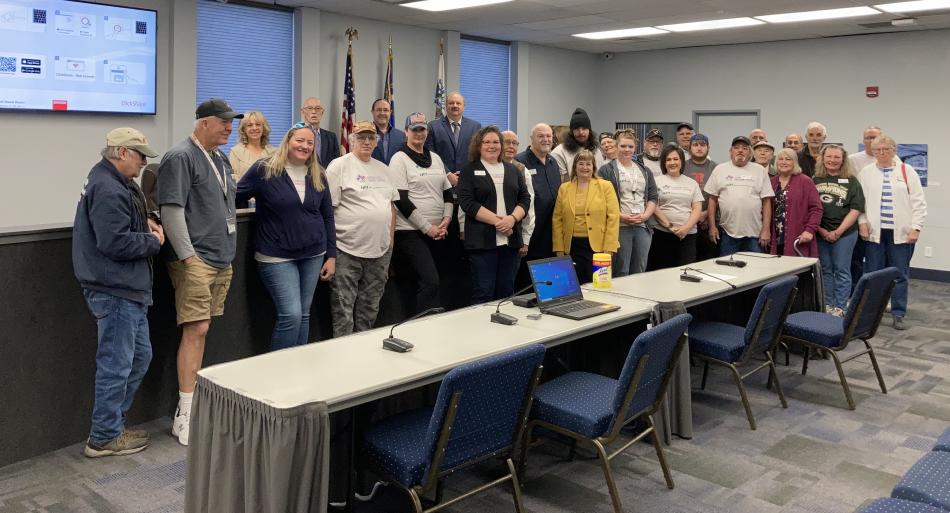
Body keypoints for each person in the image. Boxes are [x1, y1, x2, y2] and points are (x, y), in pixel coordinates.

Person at [73, 128, 163, 457]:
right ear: (122, 153)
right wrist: (152, 241)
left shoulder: (114, 180)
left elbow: (126, 223)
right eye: (140, 155)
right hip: (115, 289)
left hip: (126, 289)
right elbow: (115, 242)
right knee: (116, 364)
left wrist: (147, 222)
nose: (143, 162)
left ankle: (112, 426)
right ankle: (103, 437)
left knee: (139, 357)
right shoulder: (108, 187)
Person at [157, 99, 242, 446]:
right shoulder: (180, 156)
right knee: (196, 329)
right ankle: (186, 413)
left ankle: (191, 404)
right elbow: (171, 210)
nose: (228, 127)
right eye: (222, 122)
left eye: (230, 122)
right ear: (203, 123)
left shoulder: (221, 159)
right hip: (197, 261)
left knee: (203, 332)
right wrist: (188, 258)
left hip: (222, 258)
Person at [236, 124, 336, 351]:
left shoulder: (317, 172)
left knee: (303, 314)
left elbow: (327, 215)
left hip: (313, 253)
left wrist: (331, 255)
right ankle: (277, 372)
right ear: (288, 141)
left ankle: (296, 368)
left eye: (310, 143)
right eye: (300, 140)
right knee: (291, 314)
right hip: (276, 256)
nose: (305, 146)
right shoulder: (265, 169)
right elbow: (234, 194)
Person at [326, 121, 397, 336]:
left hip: (380, 251)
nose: (366, 142)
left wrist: (391, 242)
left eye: (371, 138)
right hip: (346, 249)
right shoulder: (339, 166)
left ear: (376, 141)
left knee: (370, 308)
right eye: (361, 137)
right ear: (352, 140)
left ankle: (363, 353)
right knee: (343, 309)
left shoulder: (384, 169)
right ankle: (343, 356)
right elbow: (328, 211)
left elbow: (391, 208)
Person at [858, 134, 927, 330]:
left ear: (893, 150)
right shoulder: (866, 172)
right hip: (874, 233)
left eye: (885, 149)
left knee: (899, 273)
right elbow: (859, 202)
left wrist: (916, 227)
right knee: (873, 274)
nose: (881, 153)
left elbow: (919, 202)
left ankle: (898, 313)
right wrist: (862, 223)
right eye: (877, 149)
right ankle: (872, 313)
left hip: (901, 233)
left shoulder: (907, 171)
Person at [457, 126, 530, 303]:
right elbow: (468, 203)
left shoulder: (514, 170)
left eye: (496, 142)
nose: (492, 146)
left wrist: (511, 219)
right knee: (484, 292)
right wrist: (500, 223)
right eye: (487, 142)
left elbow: (525, 199)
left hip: (510, 244)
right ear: (478, 145)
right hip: (482, 244)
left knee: (506, 292)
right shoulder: (469, 171)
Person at [390, 113, 453, 314]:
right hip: (410, 232)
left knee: (438, 281)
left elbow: (448, 193)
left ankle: (430, 321)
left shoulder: (435, 157)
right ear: (406, 132)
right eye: (414, 129)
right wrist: (428, 228)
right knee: (430, 280)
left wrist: (446, 221)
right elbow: (400, 200)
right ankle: (419, 322)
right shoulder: (399, 159)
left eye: (422, 129)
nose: (419, 133)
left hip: (439, 231)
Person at [552, 149, 620, 284]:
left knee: (598, 285)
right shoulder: (564, 188)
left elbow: (613, 217)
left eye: (588, 164)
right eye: (581, 164)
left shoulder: (605, 186)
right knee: (573, 285)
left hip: (598, 247)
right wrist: (559, 248)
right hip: (572, 247)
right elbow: (557, 219)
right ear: (575, 167)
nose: (585, 167)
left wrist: (609, 248)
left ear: (593, 167)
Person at [813, 145, 865, 316]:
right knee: (826, 270)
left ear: (843, 160)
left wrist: (838, 231)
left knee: (842, 269)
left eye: (837, 157)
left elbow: (856, 208)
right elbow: (809, 209)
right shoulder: (814, 179)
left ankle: (840, 307)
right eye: (829, 157)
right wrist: (821, 230)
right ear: (823, 158)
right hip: (820, 233)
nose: (832, 160)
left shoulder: (851, 181)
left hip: (846, 233)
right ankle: (828, 304)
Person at [596, 129, 656, 276]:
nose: (627, 149)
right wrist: (621, 216)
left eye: (630, 146)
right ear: (616, 147)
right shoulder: (606, 170)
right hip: (620, 225)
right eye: (623, 146)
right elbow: (601, 201)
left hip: (642, 225)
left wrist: (645, 215)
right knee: (621, 269)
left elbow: (653, 197)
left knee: (640, 268)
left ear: (635, 148)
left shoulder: (645, 170)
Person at [705, 136, 774, 255]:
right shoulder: (719, 169)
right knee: (727, 270)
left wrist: (766, 229)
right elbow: (712, 199)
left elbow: (767, 201)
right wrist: (712, 227)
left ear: (750, 152)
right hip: (728, 233)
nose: (740, 150)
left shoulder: (760, 170)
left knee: (757, 271)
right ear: (730, 152)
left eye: (745, 148)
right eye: (736, 148)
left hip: (755, 234)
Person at [647, 145, 703, 270]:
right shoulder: (656, 181)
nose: (672, 162)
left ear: (682, 162)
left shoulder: (692, 183)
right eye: (668, 159)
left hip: (688, 235)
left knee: (686, 273)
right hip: (663, 234)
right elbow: (653, 206)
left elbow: (697, 208)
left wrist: (686, 228)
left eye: (676, 159)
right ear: (664, 163)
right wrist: (670, 226)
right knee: (662, 273)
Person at [515, 123, 561, 265]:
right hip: (530, 233)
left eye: (548, 136)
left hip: (551, 233)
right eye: (540, 136)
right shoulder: (519, 162)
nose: (545, 139)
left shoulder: (553, 162)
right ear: (531, 139)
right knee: (526, 280)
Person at [769, 148, 822, 257]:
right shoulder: (771, 182)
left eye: (788, 159)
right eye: (781, 159)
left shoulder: (805, 181)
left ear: (795, 162)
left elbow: (816, 209)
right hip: (775, 237)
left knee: (797, 271)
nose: (784, 162)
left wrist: (809, 230)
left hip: (798, 236)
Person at [426, 92, 481, 187]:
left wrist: (466, 174)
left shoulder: (475, 127)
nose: (455, 105)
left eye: (458, 103)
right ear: (446, 106)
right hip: (441, 183)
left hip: (468, 182)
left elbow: (478, 154)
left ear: (464, 106)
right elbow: (430, 153)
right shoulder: (433, 126)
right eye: (451, 103)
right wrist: (447, 174)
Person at [684, 133, 719, 261]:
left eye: (703, 145)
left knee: (708, 261)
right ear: (689, 148)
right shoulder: (682, 166)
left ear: (708, 148)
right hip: (686, 221)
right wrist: (694, 215)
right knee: (688, 260)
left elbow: (720, 195)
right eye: (695, 145)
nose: (699, 148)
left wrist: (706, 214)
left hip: (709, 222)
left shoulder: (716, 168)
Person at [502, 130, 535, 260]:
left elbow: (529, 206)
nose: (511, 146)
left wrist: (525, 239)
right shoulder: (484, 167)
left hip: (515, 234)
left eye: (515, 143)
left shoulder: (521, 170)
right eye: (507, 142)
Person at [550, 108, 605, 181]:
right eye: (577, 129)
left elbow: (600, 177)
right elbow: (561, 183)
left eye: (584, 128)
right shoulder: (559, 152)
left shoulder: (597, 151)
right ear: (571, 132)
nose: (581, 132)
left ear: (589, 130)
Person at [228, 111, 277, 180]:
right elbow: (232, 180)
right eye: (249, 125)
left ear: (263, 128)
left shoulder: (274, 153)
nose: (254, 128)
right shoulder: (235, 152)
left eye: (258, 124)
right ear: (244, 129)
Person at [300, 97, 340, 169]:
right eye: (309, 108)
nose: (314, 112)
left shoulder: (331, 137)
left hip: (326, 177)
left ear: (322, 112)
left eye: (318, 108)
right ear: (302, 112)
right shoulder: (296, 135)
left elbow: (337, 163)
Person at [370, 99, 406, 165]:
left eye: (386, 110)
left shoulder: (401, 136)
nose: (382, 113)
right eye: (378, 110)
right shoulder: (364, 135)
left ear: (390, 112)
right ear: (372, 112)